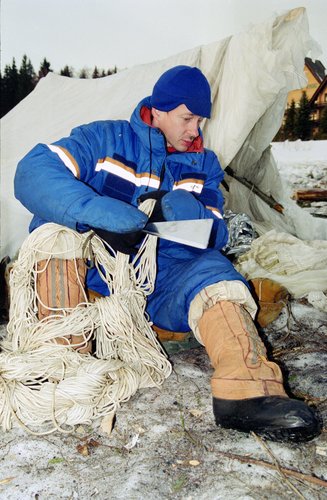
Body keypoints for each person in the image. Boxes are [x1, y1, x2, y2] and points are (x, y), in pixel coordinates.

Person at [14, 65, 320, 442]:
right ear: (157, 110)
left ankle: (248, 390)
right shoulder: (105, 139)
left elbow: (217, 229)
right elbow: (33, 170)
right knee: (52, 233)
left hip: (163, 283)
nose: (195, 130)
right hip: (92, 282)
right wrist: (92, 210)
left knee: (213, 270)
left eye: (201, 120)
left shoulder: (202, 163)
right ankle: (64, 368)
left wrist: (186, 212)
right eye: (187, 117)